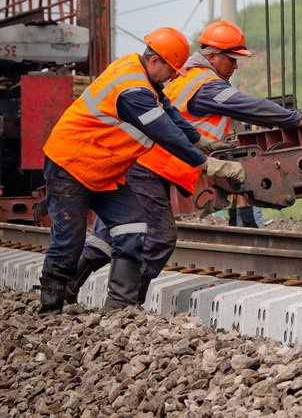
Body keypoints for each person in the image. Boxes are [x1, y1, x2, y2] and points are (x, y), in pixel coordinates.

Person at [65, 20, 302, 305]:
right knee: (159, 236)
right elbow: (248, 106)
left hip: (138, 163)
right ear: (212, 57)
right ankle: (125, 304)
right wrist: (298, 119)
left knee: (111, 233)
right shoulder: (205, 86)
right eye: (232, 59)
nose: (236, 66)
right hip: (149, 167)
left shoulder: (185, 79)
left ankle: (67, 288)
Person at [38, 27, 245, 316]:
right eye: (172, 70)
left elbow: (169, 112)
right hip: (71, 166)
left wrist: (198, 139)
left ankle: (119, 308)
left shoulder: (140, 74)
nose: (175, 76)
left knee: (133, 226)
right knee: (68, 239)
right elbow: (163, 131)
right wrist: (205, 162)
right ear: (155, 61)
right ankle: (50, 308)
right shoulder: (133, 91)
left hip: (105, 170)